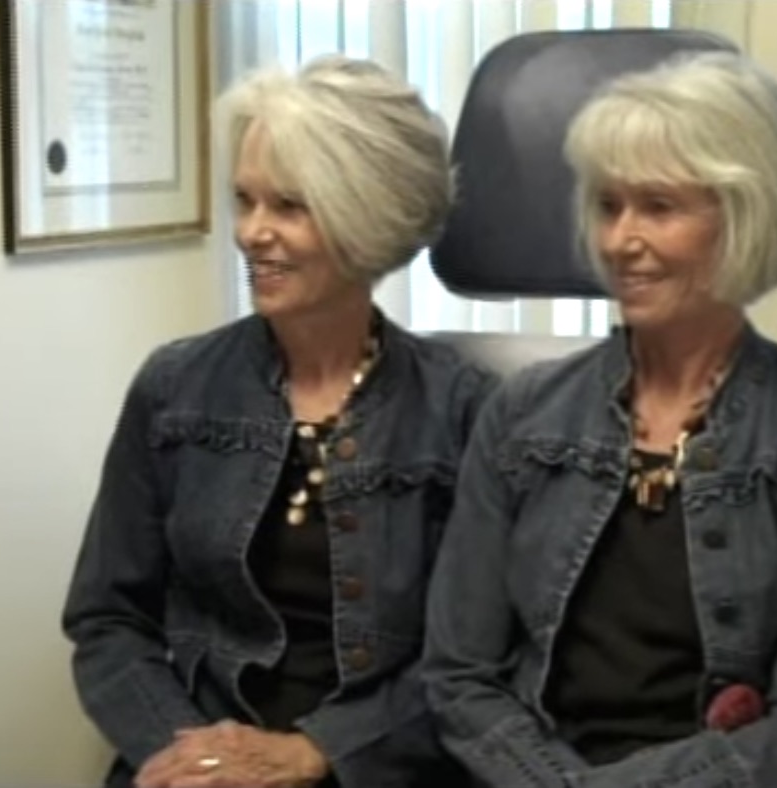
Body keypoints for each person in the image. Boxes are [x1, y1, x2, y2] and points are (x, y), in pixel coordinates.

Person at [422, 51, 777, 787]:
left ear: (747, 214)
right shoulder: (518, 415)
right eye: (609, 207)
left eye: (659, 207)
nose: (620, 241)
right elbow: (460, 677)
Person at [62, 55, 493, 788]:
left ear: (368, 218)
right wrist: (196, 757)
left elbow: (478, 658)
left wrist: (314, 752)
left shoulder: (463, 412)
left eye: (288, 207)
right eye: (244, 200)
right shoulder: (174, 389)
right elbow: (108, 621)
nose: (251, 233)